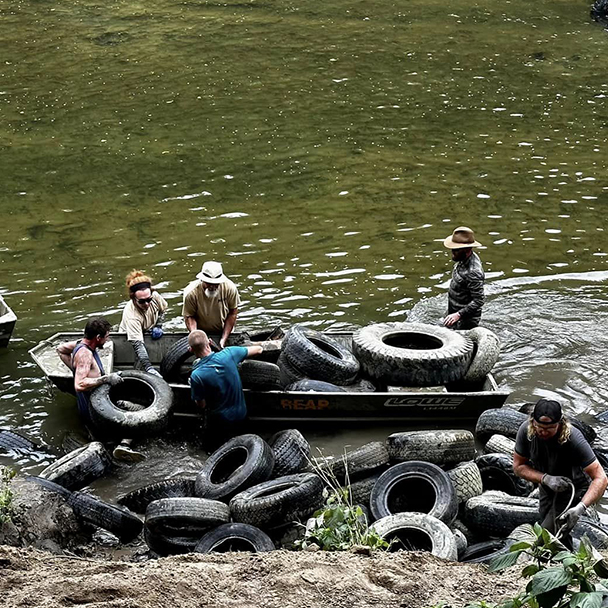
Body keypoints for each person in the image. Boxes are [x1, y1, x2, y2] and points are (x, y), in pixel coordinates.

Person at [513, 398, 607, 544]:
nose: (543, 432)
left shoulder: (574, 438)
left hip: (573, 487)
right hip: (547, 483)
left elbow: (601, 477)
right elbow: (518, 467)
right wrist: (545, 479)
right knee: (549, 524)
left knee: (548, 535)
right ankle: (566, 557)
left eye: (549, 429)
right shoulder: (526, 431)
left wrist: (580, 508)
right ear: (532, 422)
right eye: (539, 427)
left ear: (560, 424)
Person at [57, 317, 144, 462]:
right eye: (106, 336)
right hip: (95, 409)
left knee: (106, 437)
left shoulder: (80, 344)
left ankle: (108, 443)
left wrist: (74, 367)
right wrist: (105, 378)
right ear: (98, 337)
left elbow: (60, 349)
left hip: (93, 404)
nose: (108, 340)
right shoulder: (85, 354)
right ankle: (123, 446)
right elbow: (79, 385)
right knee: (140, 414)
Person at [188, 330, 262, 442]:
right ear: (210, 342)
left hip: (220, 424)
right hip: (242, 416)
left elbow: (201, 405)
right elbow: (259, 350)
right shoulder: (229, 353)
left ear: (191, 350)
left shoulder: (197, 375)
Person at [119, 269, 167, 377]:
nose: (146, 304)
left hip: (149, 328)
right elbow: (138, 345)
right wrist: (149, 367)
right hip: (131, 337)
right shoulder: (132, 316)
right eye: (142, 301)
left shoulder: (155, 297)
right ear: (133, 299)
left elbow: (163, 310)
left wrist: (159, 325)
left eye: (148, 299)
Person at [182, 261, 241, 348]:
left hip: (223, 328)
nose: (212, 287)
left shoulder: (230, 288)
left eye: (216, 284)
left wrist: (223, 339)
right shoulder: (191, 293)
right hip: (201, 329)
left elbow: (233, 313)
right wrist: (196, 337)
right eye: (208, 283)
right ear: (202, 280)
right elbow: (189, 316)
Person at [442, 226, 485, 330]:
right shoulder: (462, 258)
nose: (452, 252)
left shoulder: (473, 272)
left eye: (456, 250)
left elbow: (479, 300)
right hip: (454, 310)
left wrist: (458, 315)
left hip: (465, 320)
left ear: (467, 250)